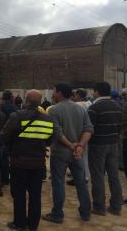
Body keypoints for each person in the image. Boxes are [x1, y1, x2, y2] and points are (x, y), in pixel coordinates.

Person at [1, 90, 57, 231]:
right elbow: (50, 140)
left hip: (18, 163)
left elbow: (3, 136)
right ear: (40, 103)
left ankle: (19, 223)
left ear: (26, 101)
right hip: (38, 164)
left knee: (19, 194)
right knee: (35, 195)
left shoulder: (16, 116)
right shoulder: (48, 120)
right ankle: (33, 225)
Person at [42, 83, 93, 224]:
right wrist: (80, 146)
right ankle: (85, 212)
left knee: (58, 184)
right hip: (78, 153)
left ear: (60, 93)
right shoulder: (81, 109)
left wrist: (71, 145)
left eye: (54, 91)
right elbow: (88, 129)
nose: (53, 94)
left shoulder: (53, 110)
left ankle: (57, 214)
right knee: (81, 183)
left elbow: (57, 132)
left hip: (60, 153)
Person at [88, 82, 123, 216]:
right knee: (114, 176)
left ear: (97, 92)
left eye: (94, 91)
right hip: (114, 144)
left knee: (97, 176)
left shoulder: (94, 108)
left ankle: (99, 207)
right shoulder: (117, 106)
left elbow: (89, 129)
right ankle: (116, 206)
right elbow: (120, 126)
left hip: (98, 145)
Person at [67, 88, 91, 186]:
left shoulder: (77, 105)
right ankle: (85, 176)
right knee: (85, 157)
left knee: (78, 157)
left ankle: (81, 177)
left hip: (77, 133)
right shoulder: (89, 103)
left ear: (78, 95)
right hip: (87, 133)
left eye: (75, 94)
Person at [0, 90, 18, 185]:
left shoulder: (1, 107)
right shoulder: (15, 108)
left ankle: (4, 178)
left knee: (3, 158)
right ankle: (12, 177)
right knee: (13, 158)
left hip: (3, 135)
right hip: (14, 135)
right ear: (11, 98)